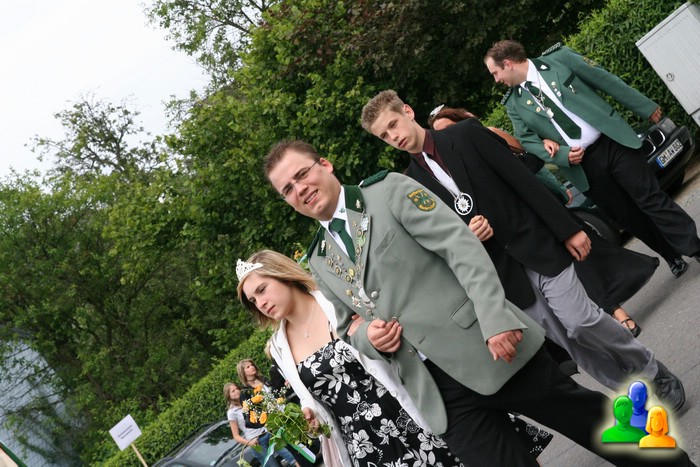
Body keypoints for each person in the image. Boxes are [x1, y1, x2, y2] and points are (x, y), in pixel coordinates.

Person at [263, 139, 693, 466]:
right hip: (436, 389)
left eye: (302, 175)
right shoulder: (319, 259)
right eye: (288, 189)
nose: (300, 189)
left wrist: (494, 319)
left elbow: (462, 249)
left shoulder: (387, 192)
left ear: (325, 165)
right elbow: (347, 325)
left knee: (591, 423)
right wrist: (370, 338)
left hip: (490, 345)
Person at [360, 90, 683, 401]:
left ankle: (650, 369)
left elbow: (522, 180)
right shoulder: (410, 184)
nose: (394, 137)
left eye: (393, 125)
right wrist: (466, 234)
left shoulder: (466, 133)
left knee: (581, 322)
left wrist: (568, 229)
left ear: (407, 112)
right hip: (503, 277)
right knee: (573, 346)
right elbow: (440, 239)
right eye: (384, 136)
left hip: (538, 246)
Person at [426, 104, 660, 337]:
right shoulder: (447, 168)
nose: (444, 136)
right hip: (520, 229)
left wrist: (555, 183)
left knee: (586, 260)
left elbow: (527, 158)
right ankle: (612, 319)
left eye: (447, 128)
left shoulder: (486, 133)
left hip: (541, 210)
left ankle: (618, 314)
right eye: (439, 133)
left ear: (461, 122)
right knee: (573, 273)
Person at [484, 39, 700, 278]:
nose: (496, 80)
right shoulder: (514, 104)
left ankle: (695, 246)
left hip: (613, 142)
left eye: (495, 73)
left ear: (508, 64)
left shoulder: (559, 59)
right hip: (584, 167)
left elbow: (605, 80)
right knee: (628, 216)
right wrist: (562, 154)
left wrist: (644, 107)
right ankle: (671, 255)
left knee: (650, 197)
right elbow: (526, 140)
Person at [236, 250, 463, 466]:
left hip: (408, 418)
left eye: (262, 290)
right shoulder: (279, 347)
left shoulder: (338, 301)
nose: (261, 303)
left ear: (283, 275)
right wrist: (310, 416)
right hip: (362, 446)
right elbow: (311, 401)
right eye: (253, 301)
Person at [224, 382, 300, 467]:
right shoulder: (231, 412)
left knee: (290, 457)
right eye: (233, 391)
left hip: (268, 433)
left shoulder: (249, 401)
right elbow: (236, 436)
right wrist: (250, 443)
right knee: (273, 465)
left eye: (237, 389)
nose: (236, 391)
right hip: (256, 441)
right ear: (228, 396)